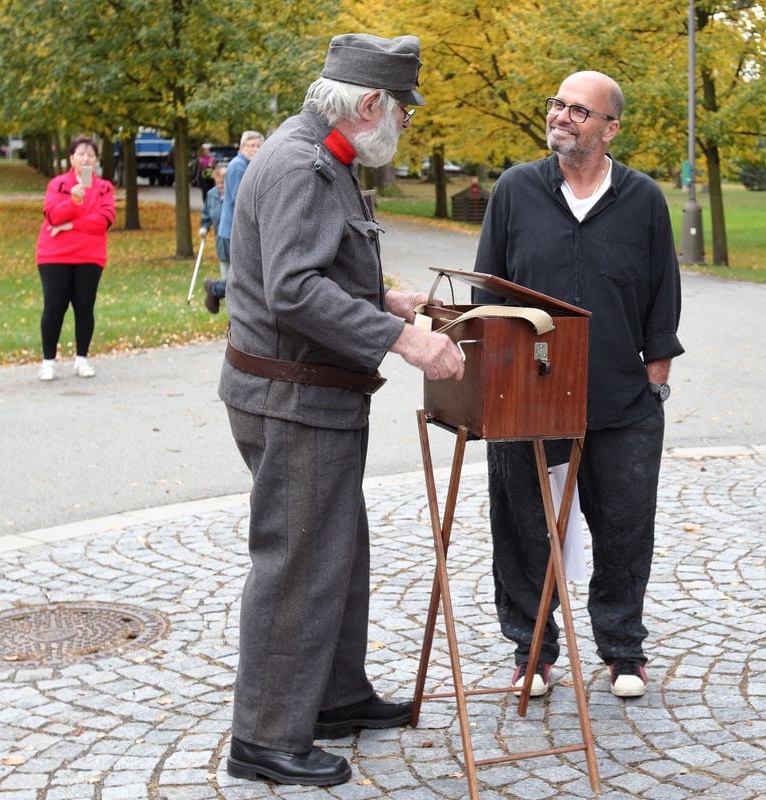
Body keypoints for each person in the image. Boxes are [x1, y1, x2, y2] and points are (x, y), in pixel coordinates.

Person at [218, 33, 464, 787]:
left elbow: (315, 268)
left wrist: (379, 296)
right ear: (367, 105)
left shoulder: (322, 155)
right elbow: (293, 289)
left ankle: (332, 696)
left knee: (336, 553)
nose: (407, 124)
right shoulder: (300, 162)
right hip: (294, 399)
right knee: (297, 565)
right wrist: (402, 339)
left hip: (310, 395)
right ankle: (263, 737)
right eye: (402, 110)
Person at [471, 71, 683, 699]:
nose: (562, 116)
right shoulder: (515, 189)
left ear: (610, 128)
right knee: (521, 522)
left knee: (623, 524)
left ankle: (622, 652)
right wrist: (492, 378)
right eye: (557, 105)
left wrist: (656, 374)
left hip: (619, 398)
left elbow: (661, 291)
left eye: (579, 111)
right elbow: (489, 288)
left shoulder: (643, 199)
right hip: (527, 397)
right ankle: (532, 651)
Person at [34, 135, 116, 381]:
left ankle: (82, 359)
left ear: (96, 160)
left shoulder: (104, 188)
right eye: (81, 154)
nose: (86, 158)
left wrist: (70, 226)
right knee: (55, 305)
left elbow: (103, 221)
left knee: (84, 305)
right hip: (54, 255)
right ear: (71, 158)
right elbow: (53, 217)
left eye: (90, 154)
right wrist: (74, 201)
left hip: (90, 255)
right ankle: (48, 361)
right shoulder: (58, 184)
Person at [203, 130, 263, 313]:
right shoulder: (238, 166)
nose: (256, 149)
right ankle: (215, 290)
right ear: (241, 147)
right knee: (246, 275)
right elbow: (240, 199)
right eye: (252, 145)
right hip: (234, 230)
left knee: (246, 275)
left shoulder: (248, 165)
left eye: (259, 146)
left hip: (236, 229)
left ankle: (218, 293)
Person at [197, 163, 227, 295]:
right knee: (226, 276)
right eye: (217, 182)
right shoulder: (211, 194)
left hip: (235, 242)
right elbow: (207, 214)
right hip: (220, 242)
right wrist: (204, 226)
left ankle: (214, 290)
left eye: (223, 182)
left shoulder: (234, 194)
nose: (220, 185)